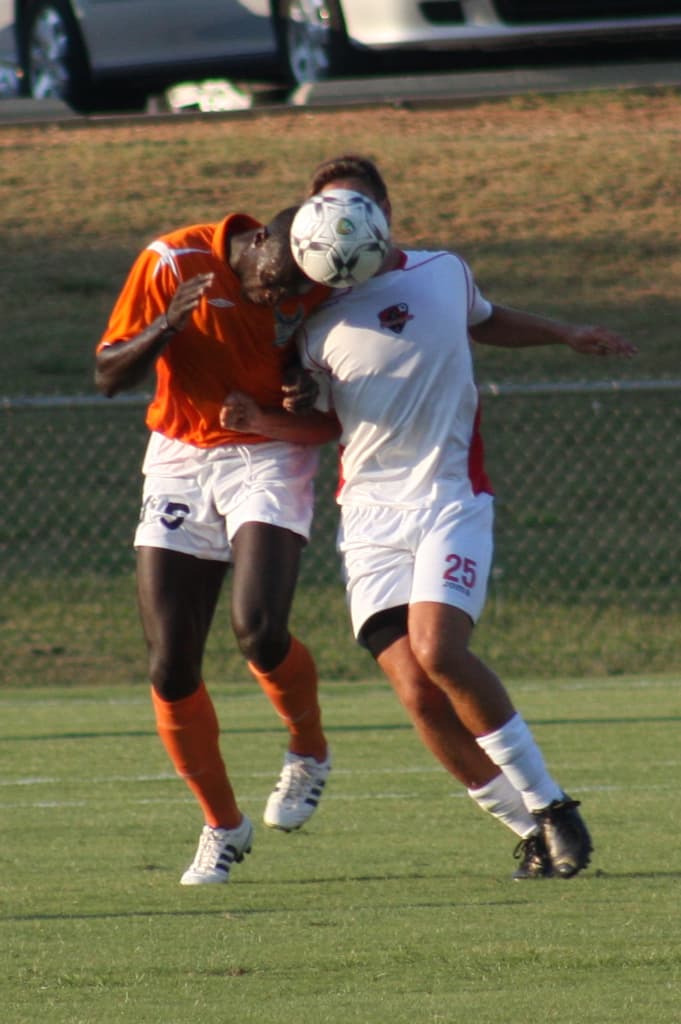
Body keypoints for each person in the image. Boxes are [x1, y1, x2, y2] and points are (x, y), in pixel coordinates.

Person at [220, 154, 638, 880]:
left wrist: (565, 333)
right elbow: (322, 427)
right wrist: (264, 415)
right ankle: (528, 830)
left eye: (354, 204)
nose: (340, 218)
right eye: (326, 205)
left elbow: (488, 319)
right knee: (416, 690)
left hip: (449, 497)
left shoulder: (443, 270)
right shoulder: (308, 323)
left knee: (439, 652)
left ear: (382, 215)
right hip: (371, 519)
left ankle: (553, 806)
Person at [94, 205, 333, 887]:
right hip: (180, 454)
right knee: (170, 664)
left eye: (292, 292)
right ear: (257, 241)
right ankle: (224, 826)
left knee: (257, 630)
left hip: (265, 449)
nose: (278, 299)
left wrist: (305, 386)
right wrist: (167, 325)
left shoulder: (322, 278)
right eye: (271, 284)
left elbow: (328, 384)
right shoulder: (171, 261)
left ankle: (309, 750)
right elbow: (109, 374)